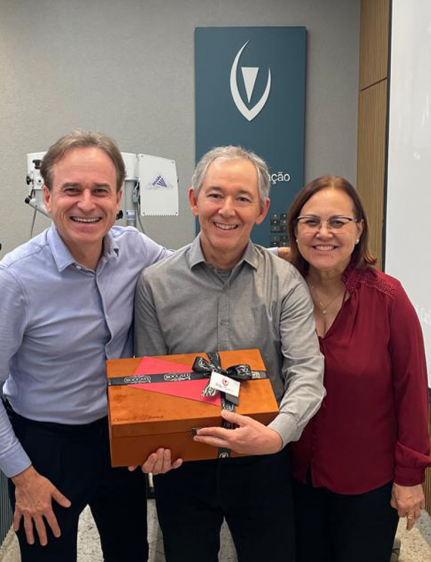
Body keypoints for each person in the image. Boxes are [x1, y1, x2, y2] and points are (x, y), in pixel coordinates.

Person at [0, 130, 171, 562]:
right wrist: (23, 478)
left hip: (118, 437)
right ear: (48, 197)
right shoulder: (12, 282)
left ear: (118, 199)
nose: (87, 204)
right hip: (45, 448)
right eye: (72, 190)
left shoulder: (137, 250)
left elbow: (194, 270)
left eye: (100, 191)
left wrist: (285, 259)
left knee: (131, 552)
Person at [133, 146, 325, 562]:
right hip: (184, 459)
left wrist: (275, 436)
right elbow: (151, 379)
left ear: (262, 210)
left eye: (243, 198)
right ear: (193, 200)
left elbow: (307, 373)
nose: (227, 209)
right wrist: (154, 443)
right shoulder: (155, 284)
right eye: (215, 194)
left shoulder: (285, 282)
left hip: (263, 455)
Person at [284, 175, 431, 562]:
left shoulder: (388, 298)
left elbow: (412, 391)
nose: (324, 233)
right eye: (311, 221)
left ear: (358, 230)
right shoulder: (280, 291)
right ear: (295, 230)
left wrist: (409, 477)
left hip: (366, 483)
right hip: (292, 476)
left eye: (338, 222)